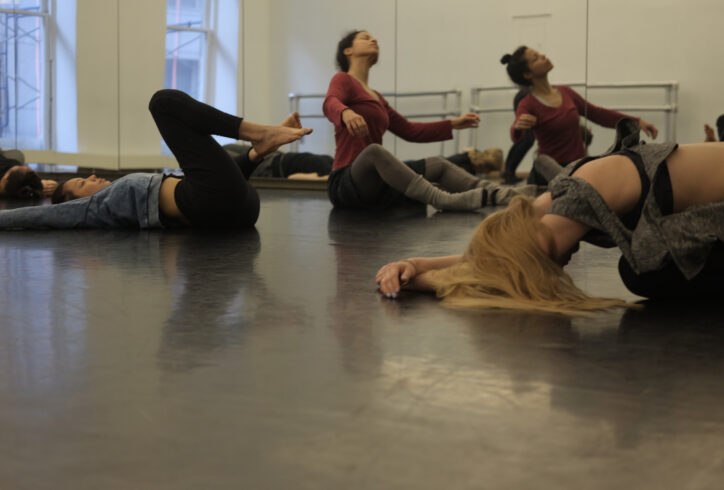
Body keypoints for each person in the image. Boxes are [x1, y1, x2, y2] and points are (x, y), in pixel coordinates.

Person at [376, 119, 724, 314]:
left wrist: (424, 282)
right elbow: (500, 256)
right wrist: (416, 264)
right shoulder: (557, 194)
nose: (560, 266)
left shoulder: (575, 199)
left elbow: (506, 267)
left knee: (642, 274)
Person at [0, 89, 311, 229]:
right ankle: (256, 133)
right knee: (162, 103)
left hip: (237, 211)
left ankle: (259, 148)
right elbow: (42, 217)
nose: (93, 178)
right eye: (82, 183)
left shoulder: (120, 196)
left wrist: (254, 159)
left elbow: (222, 180)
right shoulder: (92, 209)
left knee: (226, 165)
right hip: (215, 204)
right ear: (74, 203)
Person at [324, 30, 536, 212]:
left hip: (376, 184)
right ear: (348, 51)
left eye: (374, 38)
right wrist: (345, 113)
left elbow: (410, 130)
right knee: (374, 152)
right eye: (365, 37)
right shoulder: (343, 79)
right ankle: (443, 200)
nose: (373, 40)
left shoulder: (377, 98)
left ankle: (499, 194)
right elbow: (330, 102)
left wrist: (452, 123)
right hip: (346, 183)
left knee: (439, 164)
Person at [501, 46, 659, 169]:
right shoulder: (527, 103)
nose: (543, 56)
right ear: (528, 74)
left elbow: (598, 114)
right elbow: (516, 136)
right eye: (536, 58)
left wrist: (636, 122)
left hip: (578, 165)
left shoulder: (565, 92)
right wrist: (518, 127)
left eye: (540, 53)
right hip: (551, 171)